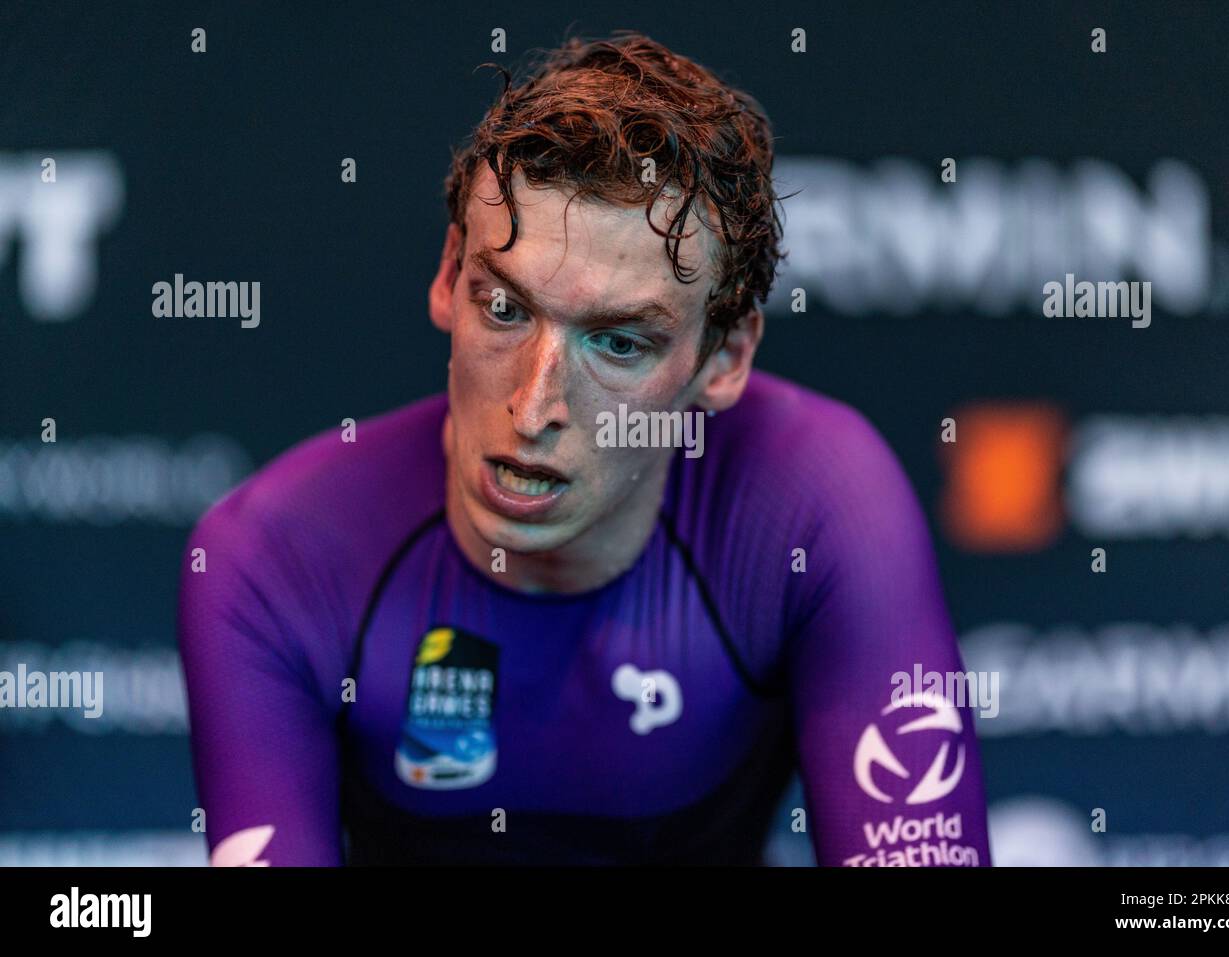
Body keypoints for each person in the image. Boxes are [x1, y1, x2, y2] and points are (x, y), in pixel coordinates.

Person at [177, 32, 991, 866]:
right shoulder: (271, 557)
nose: (533, 408)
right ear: (448, 275)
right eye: (503, 308)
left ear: (725, 359)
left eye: (620, 345)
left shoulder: (818, 503)